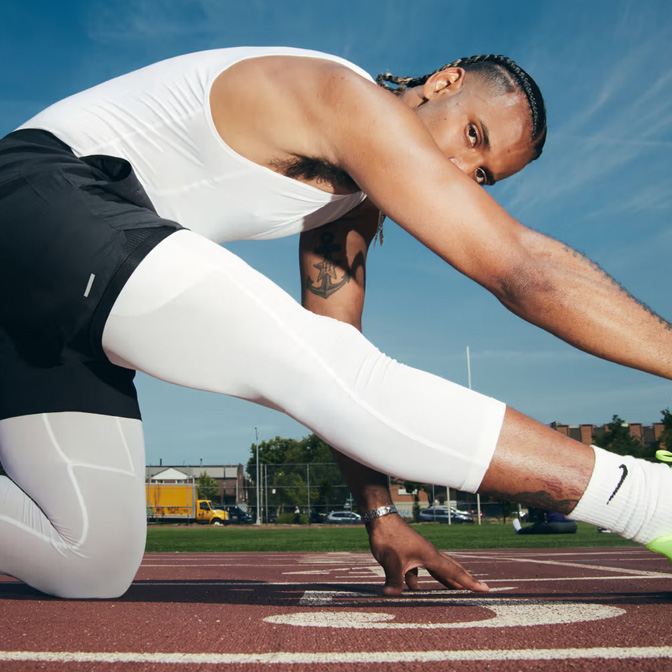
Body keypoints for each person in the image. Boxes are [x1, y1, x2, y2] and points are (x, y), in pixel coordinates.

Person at [0, 46, 670, 600]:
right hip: (44, 198)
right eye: (473, 137)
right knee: (327, 370)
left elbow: (336, 362)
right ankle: (653, 502)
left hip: (55, 286)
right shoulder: (348, 99)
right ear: (445, 82)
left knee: (91, 556)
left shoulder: (350, 208)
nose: (465, 173)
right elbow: (523, 271)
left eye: (484, 175)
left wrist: (379, 514)